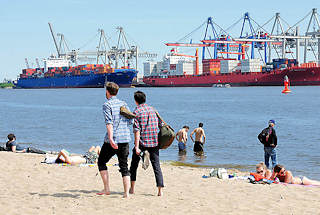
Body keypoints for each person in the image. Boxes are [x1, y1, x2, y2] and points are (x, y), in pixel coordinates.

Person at [97, 82, 132, 198]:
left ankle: (107, 189)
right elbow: (131, 120)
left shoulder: (107, 105)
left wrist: (111, 138)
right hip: (125, 138)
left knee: (101, 161)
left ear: (107, 92)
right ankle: (126, 193)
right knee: (124, 166)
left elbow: (109, 122)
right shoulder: (124, 104)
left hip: (113, 140)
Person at [129, 91, 164, 196]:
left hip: (142, 142)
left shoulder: (136, 112)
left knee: (134, 165)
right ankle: (160, 191)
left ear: (136, 101)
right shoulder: (153, 109)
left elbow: (137, 130)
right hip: (154, 142)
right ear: (145, 99)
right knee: (156, 166)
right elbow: (161, 124)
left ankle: (132, 188)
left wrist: (136, 147)